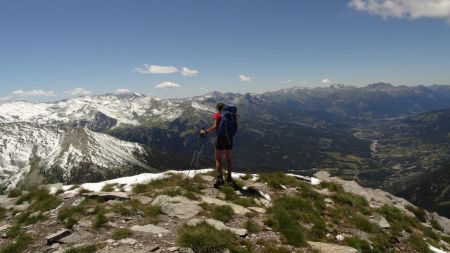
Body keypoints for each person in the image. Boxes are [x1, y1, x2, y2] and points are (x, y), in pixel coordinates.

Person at [200, 103, 235, 188]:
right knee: (229, 158)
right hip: (229, 138)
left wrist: (206, 131)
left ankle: (220, 179)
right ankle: (229, 177)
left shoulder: (218, 115)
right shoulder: (231, 115)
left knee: (218, 159)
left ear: (217, 108)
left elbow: (215, 126)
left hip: (221, 138)